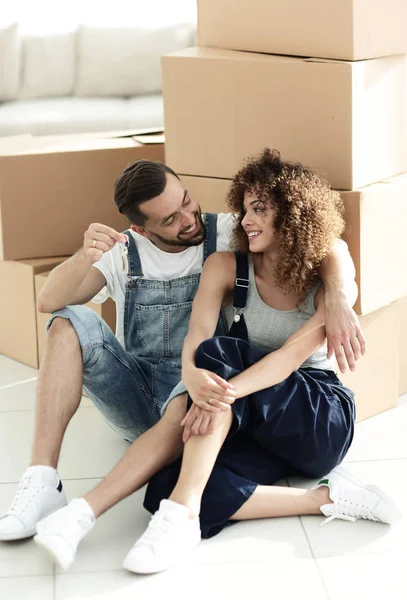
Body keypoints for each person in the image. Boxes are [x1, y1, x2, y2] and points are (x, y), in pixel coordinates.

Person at [0, 157, 364, 565]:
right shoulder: (126, 253)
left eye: (188, 202)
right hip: (181, 397)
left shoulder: (226, 231)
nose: (189, 219)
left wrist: (337, 295)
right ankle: (43, 479)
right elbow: (48, 302)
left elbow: (326, 243)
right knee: (70, 320)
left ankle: (105, 513)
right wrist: (85, 255)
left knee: (216, 357)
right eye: (171, 219)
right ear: (141, 228)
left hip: (221, 395)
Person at [112, 149, 401, 575]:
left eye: (259, 209)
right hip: (258, 418)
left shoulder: (326, 287)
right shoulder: (233, 268)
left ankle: (181, 516)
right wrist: (205, 390)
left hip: (318, 419)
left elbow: (285, 361)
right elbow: (201, 338)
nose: (245, 220)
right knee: (162, 488)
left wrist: (216, 396)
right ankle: (324, 499)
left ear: (294, 213)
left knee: (218, 354)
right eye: (244, 209)